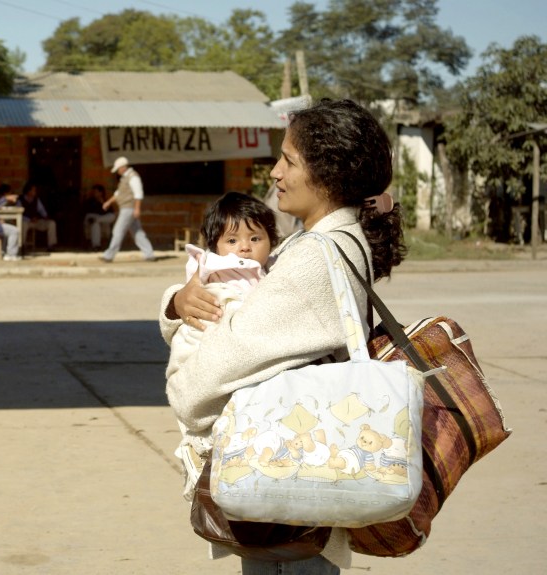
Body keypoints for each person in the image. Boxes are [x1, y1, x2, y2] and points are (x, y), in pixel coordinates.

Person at [158, 99, 407, 574]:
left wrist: (184, 391)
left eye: (289, 160)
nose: (275, 172)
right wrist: (177, 303)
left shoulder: (314, 257)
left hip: (290, 495)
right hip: (299, 488)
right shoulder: (327, 240)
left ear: (327, 176)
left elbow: (221, 364)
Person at [165, 192, 280, 499]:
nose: (244, 247)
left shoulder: (273, 270)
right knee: (212, 409)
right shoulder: (215, 269)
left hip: (241, 358)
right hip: (206, 340)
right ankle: (200, 449)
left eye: (255, 238)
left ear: (271, 240)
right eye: (232, 240)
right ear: (215, 245)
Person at [101, 156, 155, 262]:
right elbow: (118, 194)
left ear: (123, 167)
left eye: (118, 169)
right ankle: (149, 254)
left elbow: (138, 194)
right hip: (127, 208)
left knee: (118, 230)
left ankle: (109, 255)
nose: (118, 172)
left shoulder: (133, 177)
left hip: (129, 208)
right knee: (137, 232)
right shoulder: (125, 178)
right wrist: (109, 202)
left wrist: (137, 209)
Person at [18, 181, 58, 250]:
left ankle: (51, 245)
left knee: (51, 223)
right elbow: (19, 214)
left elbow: (42, 210)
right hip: (26, 222)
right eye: (34, 190)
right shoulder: (20, 200)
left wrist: (46, 217)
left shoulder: (36, 200)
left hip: (36, 221)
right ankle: (22, 246)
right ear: (29, 191)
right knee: (23, 225)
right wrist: (29, 219)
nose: (35, 192)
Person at [82, 184, 116, 249]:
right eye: (94, 192)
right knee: (95, 223)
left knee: (112, 216)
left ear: (101, 193)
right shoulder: (90, 201)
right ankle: (96, 245)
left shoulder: (105, 201)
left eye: (96, 192)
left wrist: (102, 203)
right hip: (91, 216)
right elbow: (88, 211)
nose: (94, 193)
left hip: (100, 218)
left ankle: (96, 245)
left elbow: (110, 212)